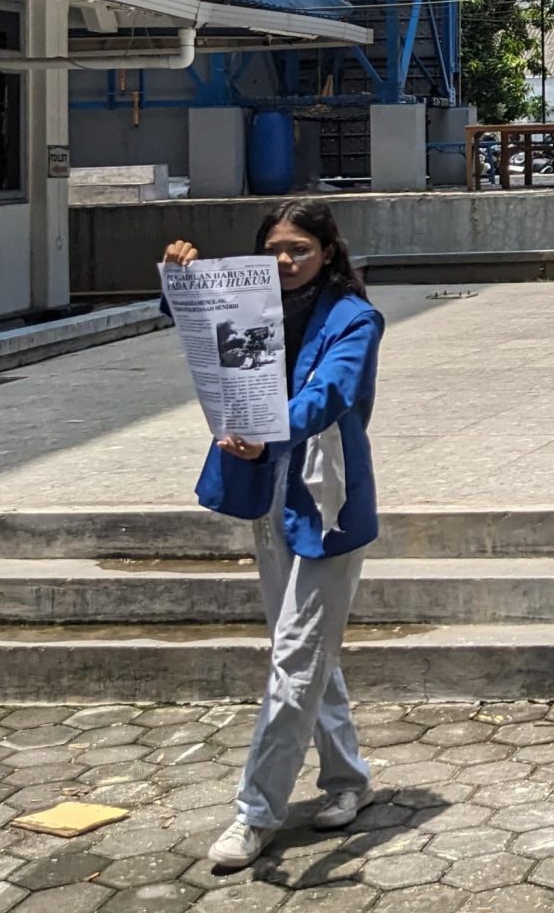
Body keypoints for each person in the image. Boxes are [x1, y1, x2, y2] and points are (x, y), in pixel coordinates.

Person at [165, 204, 384, 870]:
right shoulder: (251, 306)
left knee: (294, 657)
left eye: (300, 250)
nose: (287, 263)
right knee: (306, 651)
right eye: (275, 251)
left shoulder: (354, 317)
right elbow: (202, 338)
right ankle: (347, 780)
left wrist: (267, 430)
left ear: (327, 251)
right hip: (265, 490)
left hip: (326, 496)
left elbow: (331, 395)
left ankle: (256, 813)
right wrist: (185, 280)